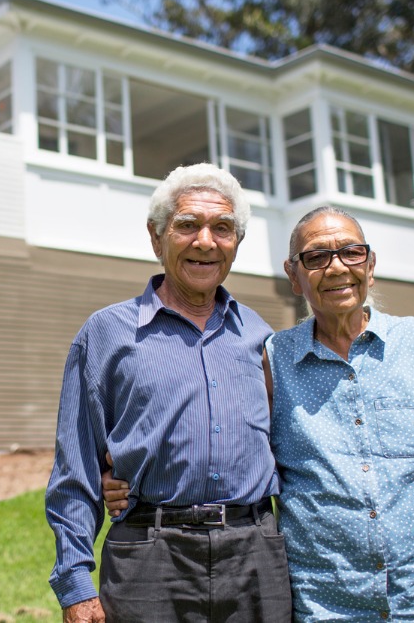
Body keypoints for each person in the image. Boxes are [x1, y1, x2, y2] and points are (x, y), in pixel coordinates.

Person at [104, 206, 414, 621]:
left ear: (370, 266)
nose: (336, 269)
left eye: (351, 252)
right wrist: (123, 467)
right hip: (328, 603)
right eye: (315, 257)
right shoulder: (275, 358)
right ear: (294, 276)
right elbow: (227, 440)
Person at [45, 163, 292, 622]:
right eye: (187, 226)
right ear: (156, 238)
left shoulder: (261, 337)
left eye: (222, 228)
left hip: (256, 557)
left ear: (236, 243)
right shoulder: (105, 334)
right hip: (149, 560)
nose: (205, 241)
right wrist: (76, 584)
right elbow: (75, 469)